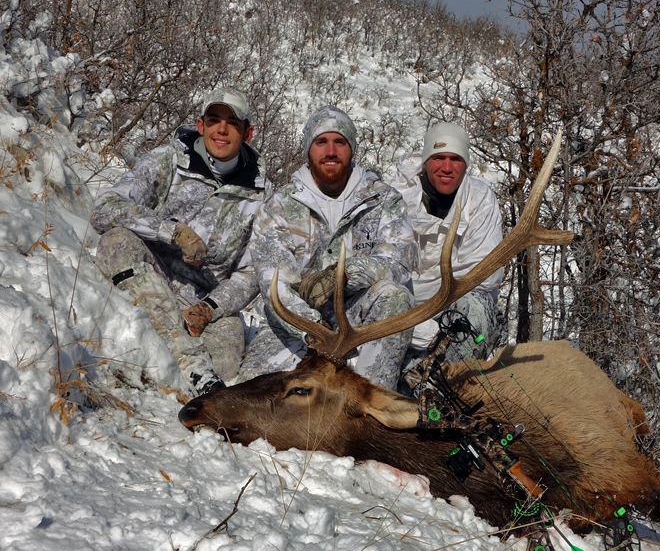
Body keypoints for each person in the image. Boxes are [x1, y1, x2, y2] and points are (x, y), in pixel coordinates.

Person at [91, 87, 268, 395]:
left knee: (228, 351)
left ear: (247, 131)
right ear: (201, 125)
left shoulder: (261, 196)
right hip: (147, 274)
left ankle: (170, 359)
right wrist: (171, 231)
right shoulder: (167, 161)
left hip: (199, 300)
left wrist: (210, 308)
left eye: (232, 122)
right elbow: (105, 207)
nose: (221, 130)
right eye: (213, 120)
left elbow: (251, 273)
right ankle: (190, 364)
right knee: (117, 242)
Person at [238, 105, 417, 389]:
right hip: (298, 328)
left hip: (361, 322)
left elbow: (399, 259)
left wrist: (344, 275)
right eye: (321, 142)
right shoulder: (280, 205)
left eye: (339, 142)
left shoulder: (384, 200)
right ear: (309, 149)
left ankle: (369, 404)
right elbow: (274, 284)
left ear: (352, 148)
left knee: (396, 297)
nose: (330, 151)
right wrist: (316, 332)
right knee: (250, 400)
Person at [390, 121, 503, 365]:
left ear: (466, 165)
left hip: (457, 310)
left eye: (456, 159)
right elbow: (389, 272)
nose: (447, 167)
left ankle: (445, 386)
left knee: (478, 306)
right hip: (403, 312)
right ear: (426, 161)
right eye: (439, 157)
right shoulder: (395, 198)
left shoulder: (480, 199)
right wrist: (421, 326)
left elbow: (486, 276)